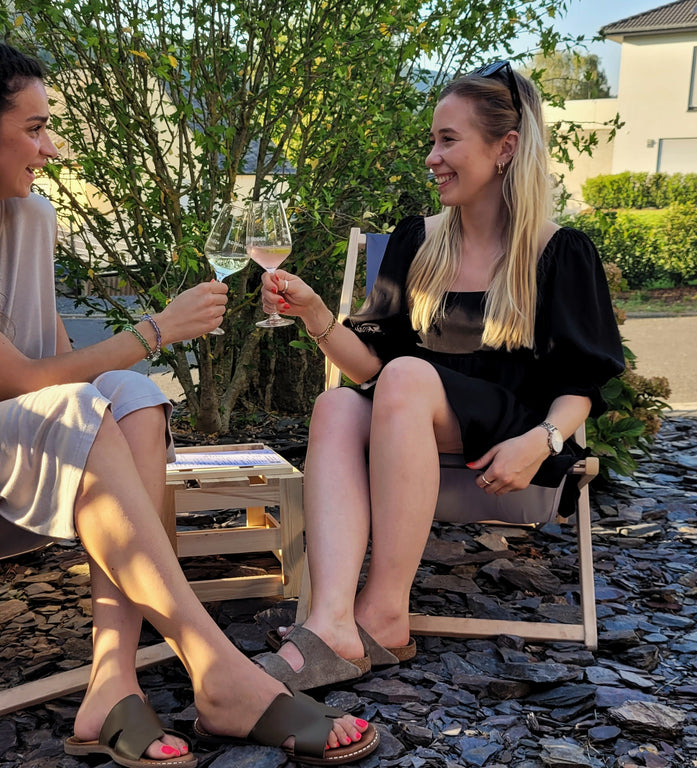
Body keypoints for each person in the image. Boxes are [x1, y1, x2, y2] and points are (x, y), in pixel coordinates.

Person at [0, 30, 379, 768]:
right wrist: (156, 329)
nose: (52, 150)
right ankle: (219, 670)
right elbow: (17, 383)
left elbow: (56, 376)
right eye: (35, 129)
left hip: (5, 461)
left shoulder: (28, 220)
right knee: (102, 390)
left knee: (133, 396)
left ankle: (111, 679)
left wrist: (138, 357)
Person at [253, 62, 625, 690]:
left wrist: (543, 442)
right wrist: (317, 316)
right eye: (432, 141)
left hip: (512, 429)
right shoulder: (418, 241)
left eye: (448, 140)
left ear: (505, 148)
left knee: (402, 378)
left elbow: (580, 384)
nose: (432, 157)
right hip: (418, 415)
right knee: (338, 408)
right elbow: (370, 364)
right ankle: (332, 616)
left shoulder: (559, 251)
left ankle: (386, 611)